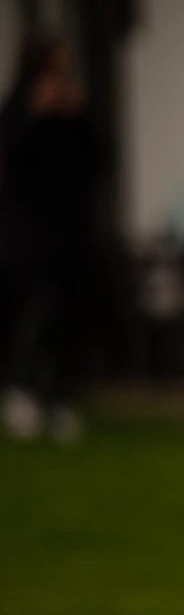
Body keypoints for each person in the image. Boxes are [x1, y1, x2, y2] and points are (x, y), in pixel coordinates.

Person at [0, 33, 100, 442]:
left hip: (70, 233)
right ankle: (20, 389)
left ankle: (61, 396)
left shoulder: (71, 109)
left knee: (68, 317)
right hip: (31, 235)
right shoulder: (19, 106)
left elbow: (98, 157)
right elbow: (13, 153)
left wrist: (79, 114)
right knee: (36, 312)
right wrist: (37, 112)